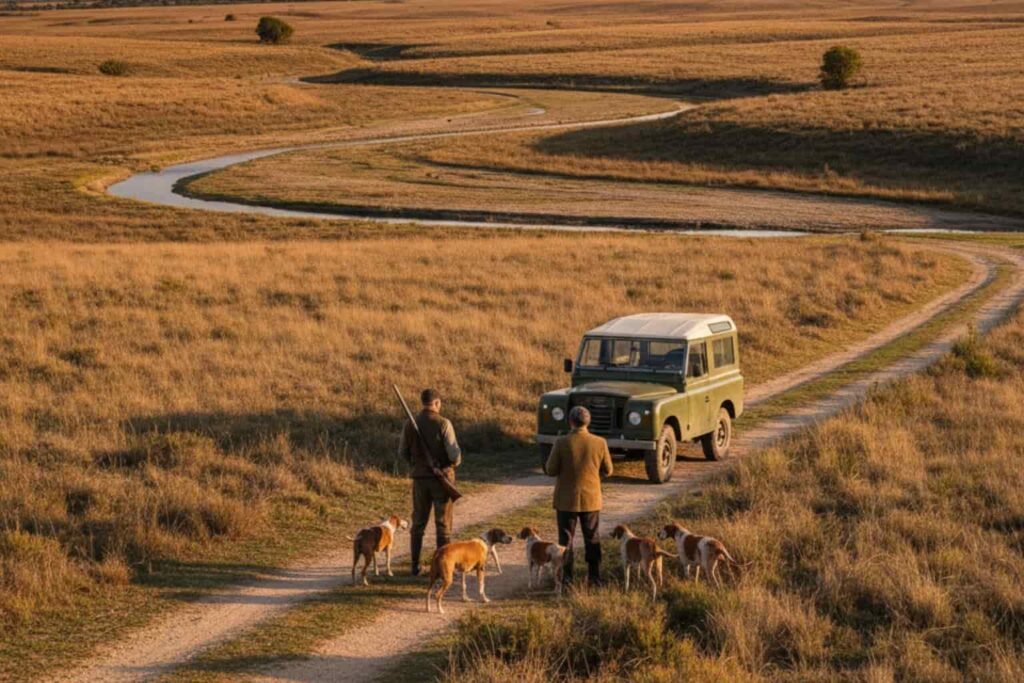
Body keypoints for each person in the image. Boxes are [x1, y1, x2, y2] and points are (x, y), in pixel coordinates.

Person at [544, 405, 613, 586]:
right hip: (591, 499)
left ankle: (567, 579)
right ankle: (594, 577)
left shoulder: (561, 442)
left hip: (566, 500)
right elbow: (608, 470)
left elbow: (551, 470)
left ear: (570, 421)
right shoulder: (600, 442)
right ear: (588, 422)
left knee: (566, 540)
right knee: (592, 538)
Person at [398, 388, 462, 576]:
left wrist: (417, 465)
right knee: (443, 525)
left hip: (420, 480)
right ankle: (443, 567)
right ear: (437, 403)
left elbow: (402, 453)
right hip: (441, 481)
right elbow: (454, 455)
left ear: (423, 402)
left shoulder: (409, 424)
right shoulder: (444, 423)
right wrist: (450, 465)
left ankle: (415, 566)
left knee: (418, 524)